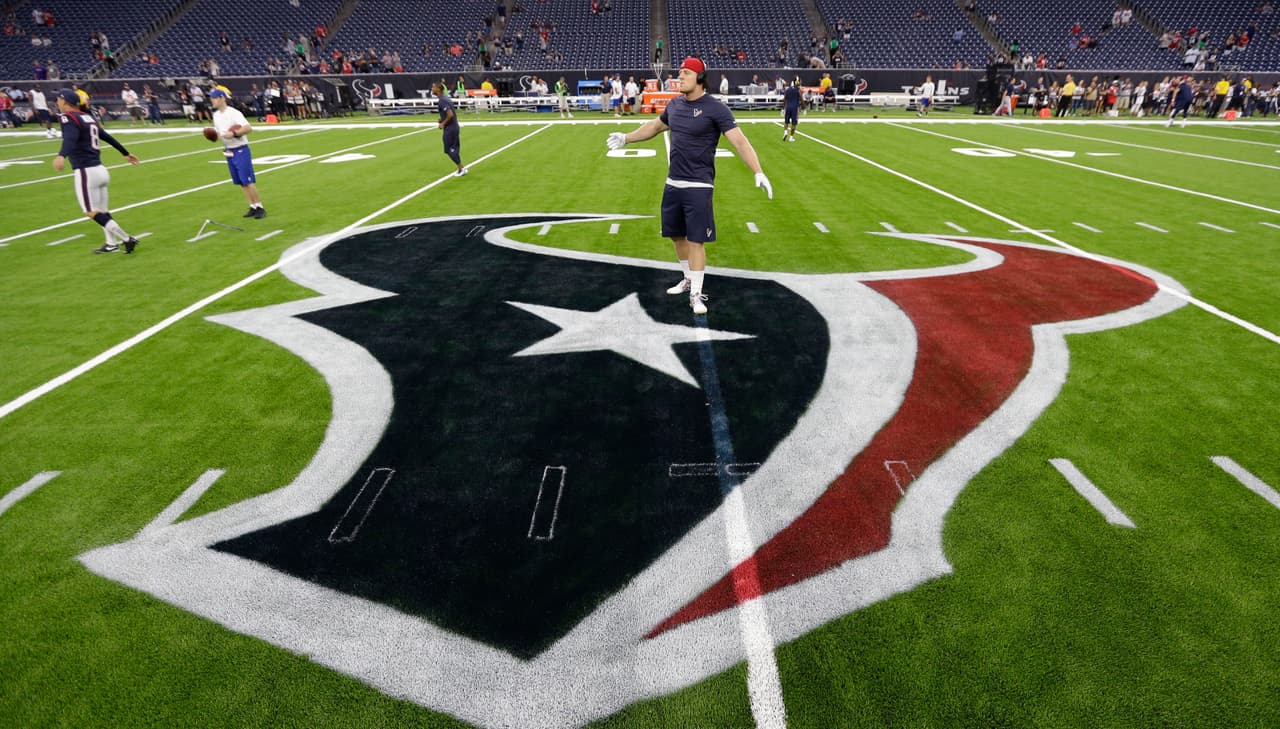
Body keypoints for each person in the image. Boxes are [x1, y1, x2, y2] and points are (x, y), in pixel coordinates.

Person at [606, 57, 772, 316]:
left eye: (685, 73)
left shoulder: (716, 109)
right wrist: (627, 138)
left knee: (696, 240)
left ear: (700, 78)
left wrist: (758, 171)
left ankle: (696, 293)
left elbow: (740, 142)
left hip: (699, 185)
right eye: (680, 73)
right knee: (676, 235)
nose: (679, 77)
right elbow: (654, 127)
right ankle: (687, 279)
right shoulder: (675, 104)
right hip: (673, 183)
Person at [51, 89, 141, 254]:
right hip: (100, 170)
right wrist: (125, 153)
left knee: (90, 211)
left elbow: (70, 138)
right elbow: (106, 136)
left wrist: (61, 155)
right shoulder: (88, 117)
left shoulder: (68, 117)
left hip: (86, 171)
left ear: (64, 101)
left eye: (58, 99)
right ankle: (111, 244)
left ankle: (127, 238)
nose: (57, 102)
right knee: (102, 211)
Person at [209, 87, 266, 218]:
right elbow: (220, 133)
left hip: (240, 149)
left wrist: (234, 133)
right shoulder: (216, 115)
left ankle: (260, 206)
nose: (212, 100)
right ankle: (252, 206)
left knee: (247, 180)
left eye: (214, 98)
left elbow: (248, 128)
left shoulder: (234, 113)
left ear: (222, 98)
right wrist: (213, 136)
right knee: (240, 181)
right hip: (229, 150)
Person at [433, 81, 467, 176]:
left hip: (450, 129)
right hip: (454, 127)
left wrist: (443, 123)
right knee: (453, 148)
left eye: (433, 87)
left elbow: (450, 114)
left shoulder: (442, 100)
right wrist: (442, 119)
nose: (432, 89)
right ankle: (461, 168)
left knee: (449, 149)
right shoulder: (445, 98)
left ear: (438, 89)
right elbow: (450, 113)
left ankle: (461, 168)